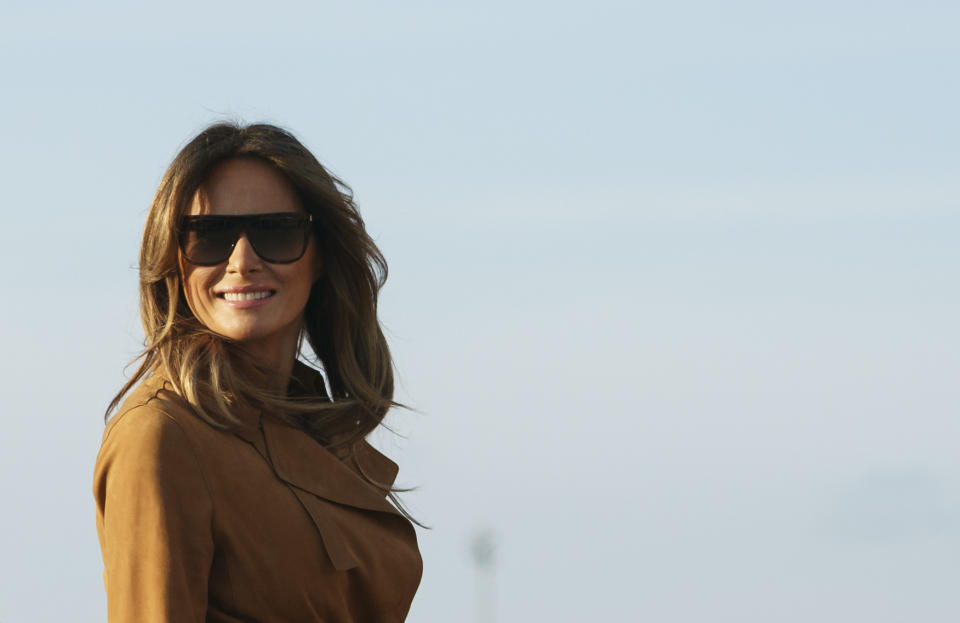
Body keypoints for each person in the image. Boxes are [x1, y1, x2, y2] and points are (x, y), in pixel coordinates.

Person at [93, 122, 423, 622]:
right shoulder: (160, 437)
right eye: (209, 237)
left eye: (277, 231)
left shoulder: (318, 431)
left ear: (321, 256)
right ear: (172, 260)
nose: (242, 261)